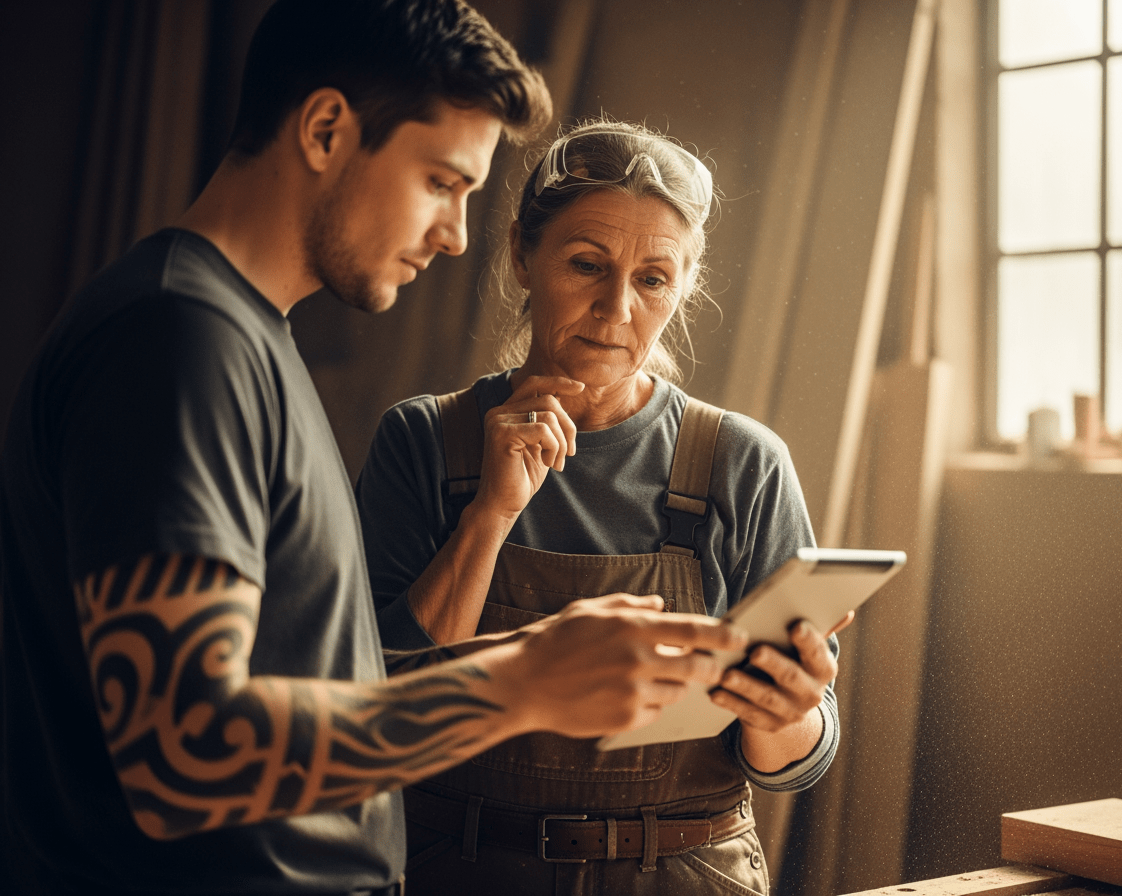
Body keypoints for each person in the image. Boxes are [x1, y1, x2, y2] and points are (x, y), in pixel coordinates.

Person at [0, 4, 749, 895]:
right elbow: (184, 755)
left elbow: (304, 684)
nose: (458, 234)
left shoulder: (245, 341)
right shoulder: (177, 344)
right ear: (325, 130)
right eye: (441, 181)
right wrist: (519, 684)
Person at [356, 119, 844, 895]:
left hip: (686, 872)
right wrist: (490, 512)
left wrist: (784, 710)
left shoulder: (741, 464)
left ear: (683, 286)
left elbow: (796, 763)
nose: (617, 307)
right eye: (587, 265)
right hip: (460, 869)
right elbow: (372, 708)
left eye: (653, 279)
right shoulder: (425, 440)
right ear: (521, 254)